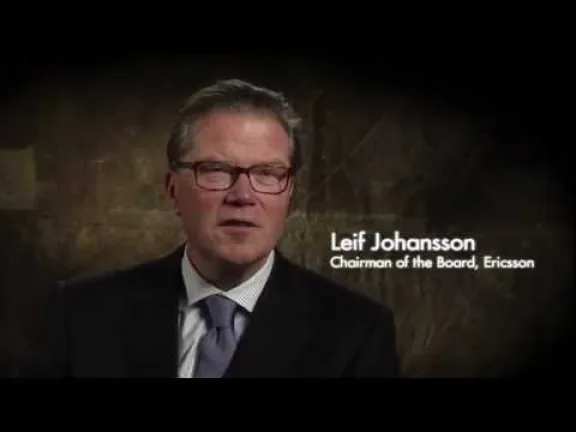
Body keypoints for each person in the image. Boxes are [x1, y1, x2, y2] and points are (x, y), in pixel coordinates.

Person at [22, 79, 399, 378]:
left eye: (267, 174)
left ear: (289, 195)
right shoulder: (80, 315)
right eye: (216, 170)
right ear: (173, 190)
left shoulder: (357, 332)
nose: (243, 196)